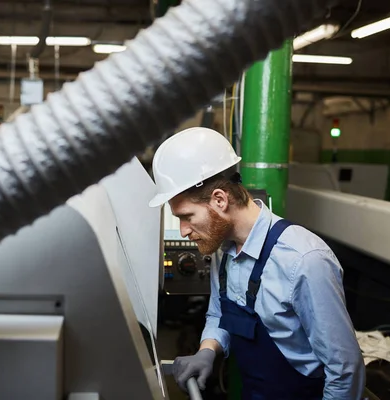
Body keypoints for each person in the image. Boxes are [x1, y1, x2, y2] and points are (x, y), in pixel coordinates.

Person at [148, 127, 365, 399]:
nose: (182, 230)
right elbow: (219, 314)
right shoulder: (222, 249)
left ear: (219, 200)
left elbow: (345, 369)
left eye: (187, 216)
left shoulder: (304, 260)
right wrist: (207, 349)